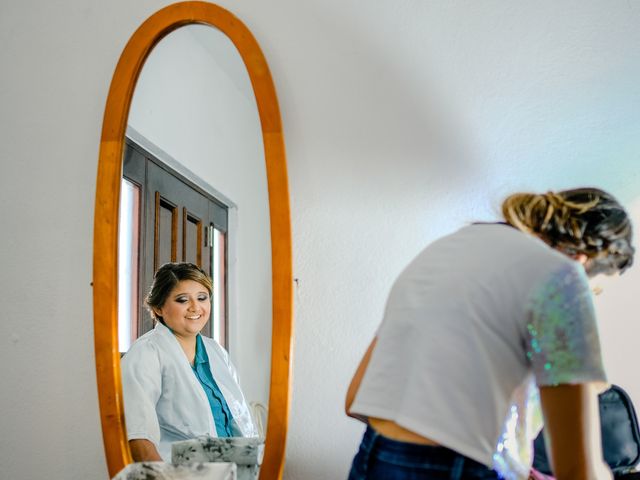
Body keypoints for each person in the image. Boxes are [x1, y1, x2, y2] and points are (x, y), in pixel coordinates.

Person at [345, 188, 634, 480]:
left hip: (373, 457)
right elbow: (577, 471)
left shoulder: (450, 246)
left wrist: (514, 464)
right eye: (594, 291)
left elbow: (356, 397)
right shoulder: (561, 275)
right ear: (583, 260)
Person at [121, 262, 258, 462]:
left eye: (202, 298)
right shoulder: (146, 353)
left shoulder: (216, 351)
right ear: (158, 307)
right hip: (179, 471)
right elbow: (138, 437)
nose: (195, 307)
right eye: (182, 300)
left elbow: (241, 421)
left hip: (232, 466)